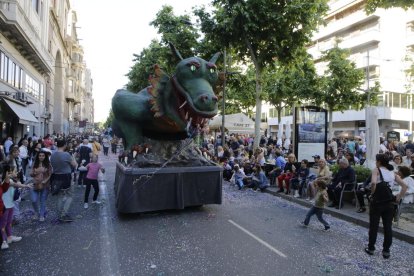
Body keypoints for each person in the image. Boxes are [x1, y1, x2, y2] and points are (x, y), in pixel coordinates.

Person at [365, 153, 407, 259]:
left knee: (374, 226)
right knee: (388, 227)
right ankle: (386, 251)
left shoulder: (376, 170)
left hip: (377, 203)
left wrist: (372, 194)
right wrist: (398, 197)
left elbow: (373, 183)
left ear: (379, 162)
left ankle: (371, 248)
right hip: (389, 203)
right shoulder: (393, 173)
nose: (375, 162)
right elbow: (405, 186)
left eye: (376, 161)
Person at [0, 165, 32, 250]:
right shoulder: (5, 181)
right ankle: (3, 241)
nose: (16, 172)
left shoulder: (9, 180)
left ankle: (9, 237)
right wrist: (26, 186)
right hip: (4, 206)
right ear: (6, 173)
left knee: (9, 222)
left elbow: (16, 184)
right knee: (3, 224)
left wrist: (26, 186)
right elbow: (16, 184)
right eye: (13, 171)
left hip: (10, 204)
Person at [50, 139, 77, 222]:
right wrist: (73, 157)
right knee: (70, 195)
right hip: (66, 177)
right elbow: (75, 165)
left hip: (56, 176)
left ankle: (59, 215)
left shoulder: (53, 155)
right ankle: (63, 214)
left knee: (60, 196)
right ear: (65, 145)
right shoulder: (66, 154)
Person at [30, 150, 52, 221]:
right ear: (38, 156)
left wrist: (45, 181)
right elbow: (31, 174)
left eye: (43, 156)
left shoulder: (48, 164)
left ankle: (41, 215)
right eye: (40, 156)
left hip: (45, 185)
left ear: (45, 156)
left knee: (42, 201)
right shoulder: (34, 164)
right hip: (35, 184)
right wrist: (35, 172)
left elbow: (50, 174)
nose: (41, 157)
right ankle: (36, 212)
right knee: (33, 200)